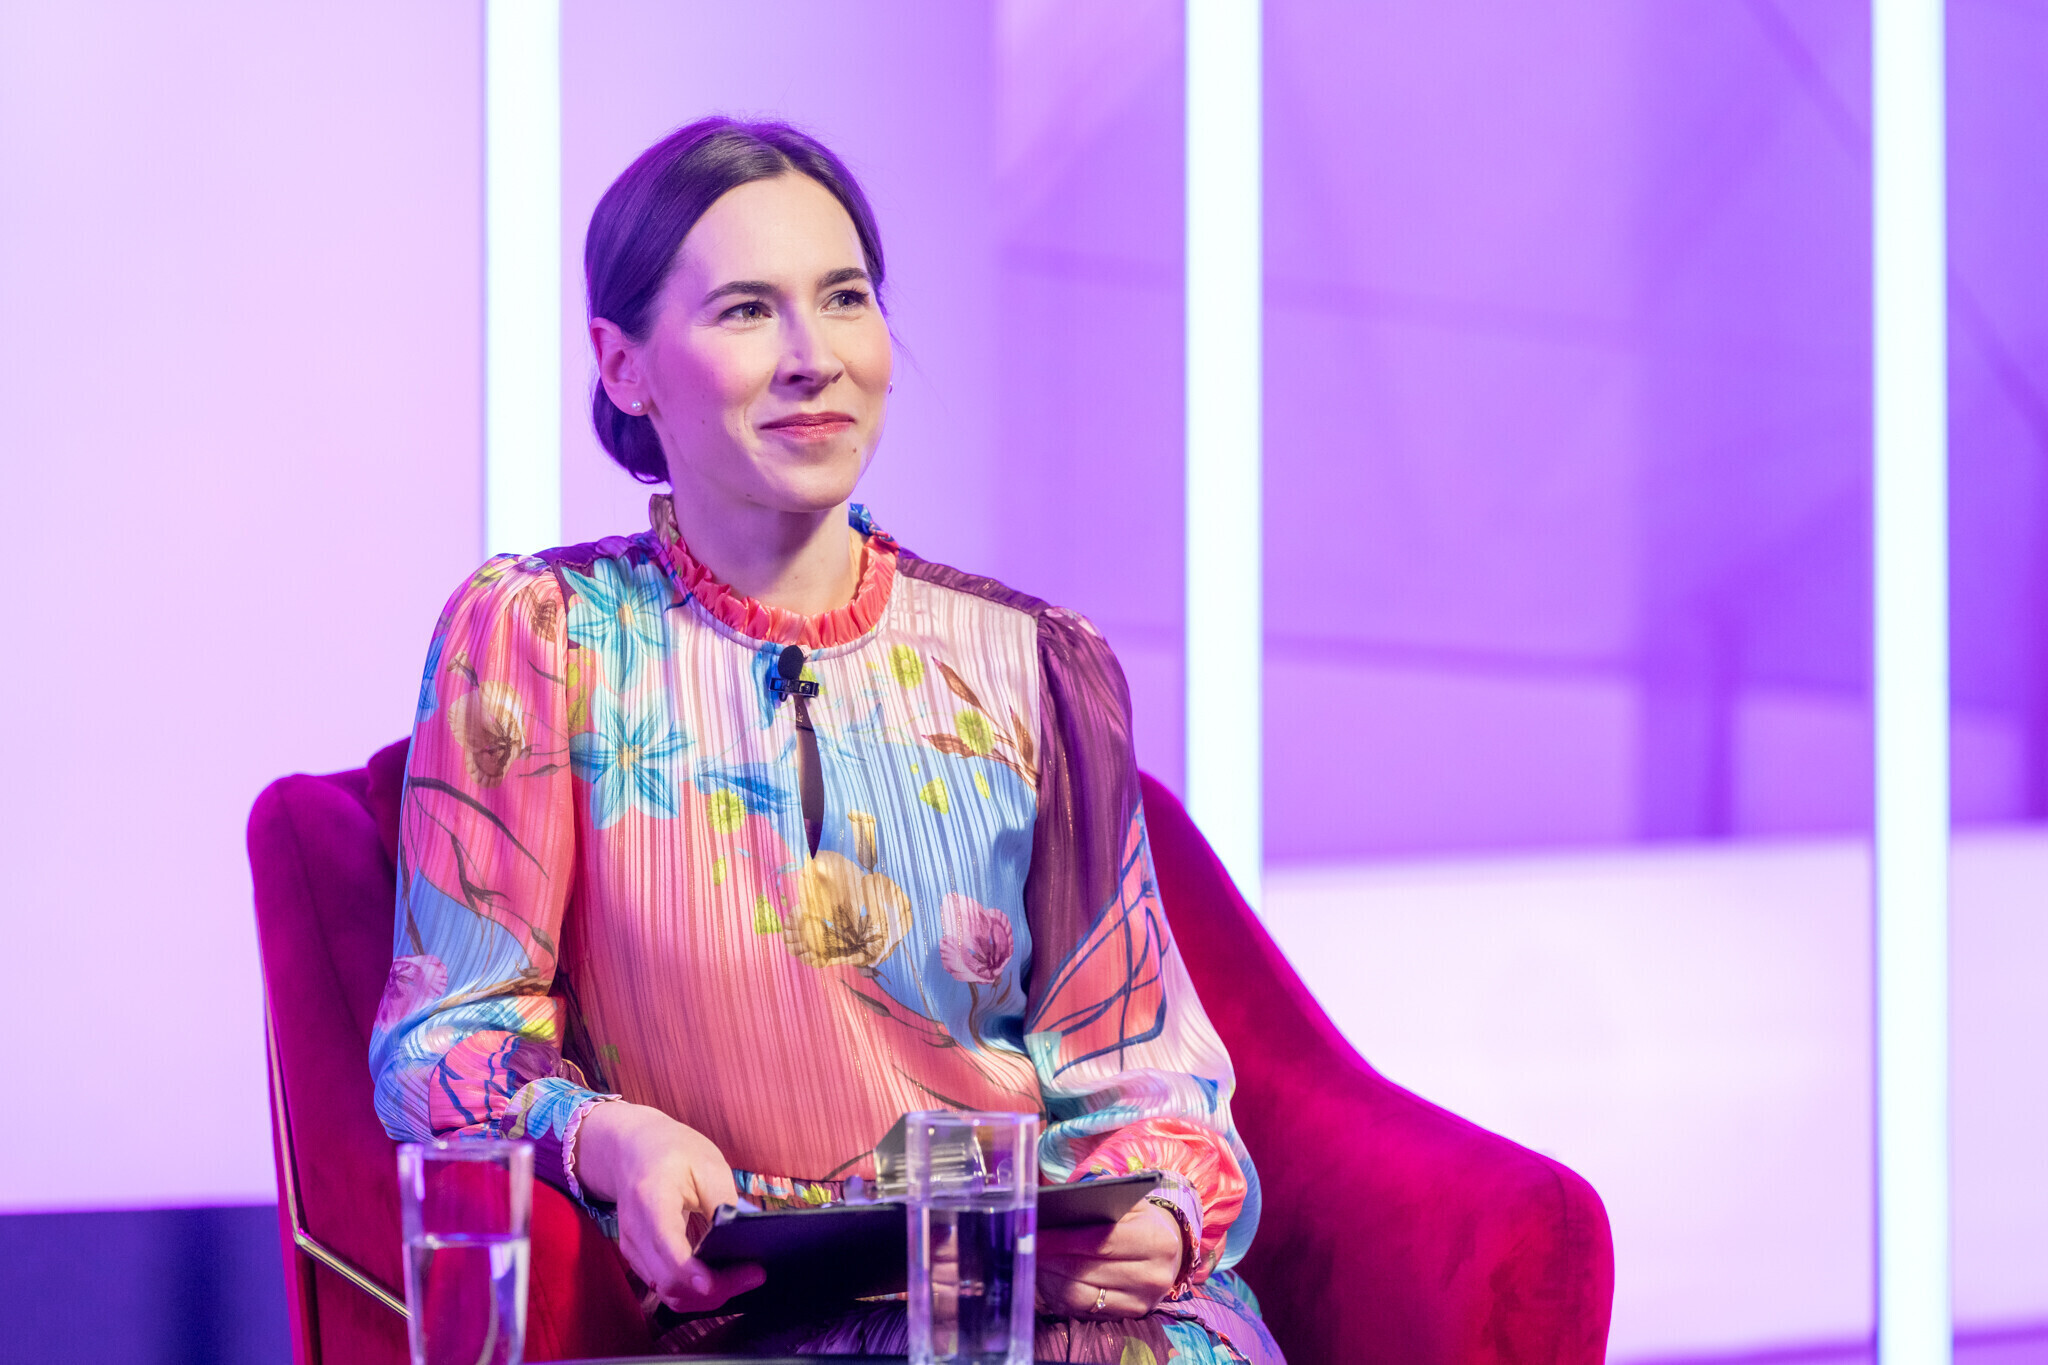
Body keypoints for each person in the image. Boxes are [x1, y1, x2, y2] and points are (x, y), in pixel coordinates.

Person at [369, 116, 1282, 1363]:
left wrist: (1161, 1218)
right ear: (623, 367)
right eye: (748, 310)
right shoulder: (539, 636)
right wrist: (609, 1137)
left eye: (844, 299)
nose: (815, 358)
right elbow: (439, 1039)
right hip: (762, 1320)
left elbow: (1140, 1069)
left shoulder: (1036, 663)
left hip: (1039, 1310)